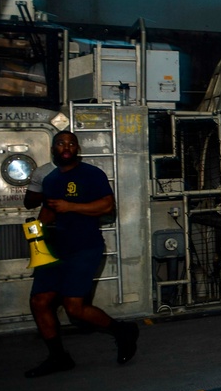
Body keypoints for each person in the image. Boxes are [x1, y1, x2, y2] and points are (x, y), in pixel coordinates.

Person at [23, 131, 139, 378]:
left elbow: (107, 206)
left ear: (77, 149)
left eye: (71, 144)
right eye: (61, 144)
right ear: (53, 149)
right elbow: (48, 211)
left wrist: (71, 206)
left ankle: (122, 331)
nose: (66, 147)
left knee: (74, 307)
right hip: (54, 248)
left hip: (84, 247)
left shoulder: (91, 174)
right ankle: (58, 357)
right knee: (39, 301)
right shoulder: (51, 179)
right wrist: (35, 238)